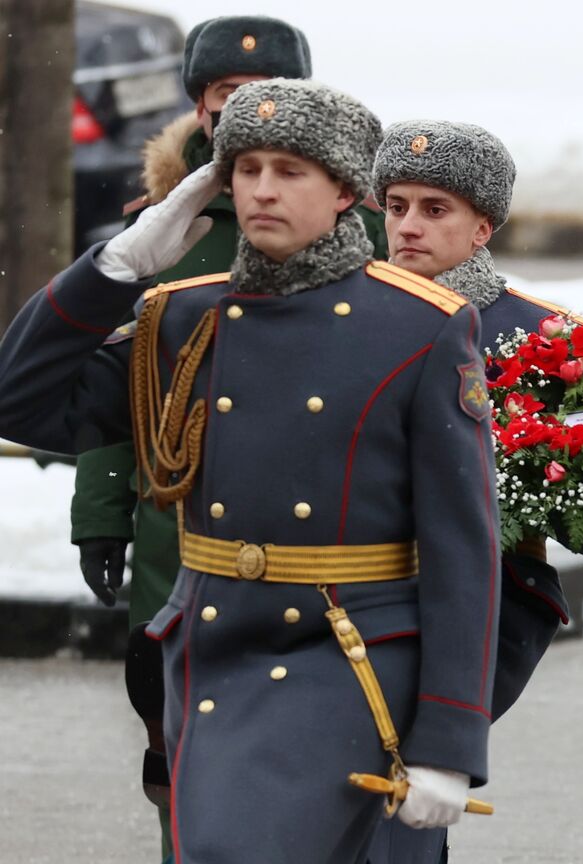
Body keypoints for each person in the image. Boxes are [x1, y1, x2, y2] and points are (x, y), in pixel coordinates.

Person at [0, 79, 498, 862]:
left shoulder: (420, 327)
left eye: (291, 170)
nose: (262, 189)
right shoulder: (184, 319)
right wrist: (116, 268)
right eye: (247, 167)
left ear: (344, 192)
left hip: (345, 655)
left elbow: (462, 549)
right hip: (212, 650)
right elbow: (20, 401)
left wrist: (449, 737)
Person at [66, 19, 388, 859]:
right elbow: (113, 394)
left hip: (323, 544)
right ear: (200, 108)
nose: (245, 112)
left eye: (266, 96)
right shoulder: (160, 234)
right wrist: (98, 512)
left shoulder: (370, 236)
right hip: (174, 527)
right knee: (174, 745)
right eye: (225, 98)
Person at [363, 119, 576, 863]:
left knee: (407, 807)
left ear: (483, 225)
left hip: (480, 603)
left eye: (435, 209)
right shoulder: (349, 312)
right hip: (351, 593)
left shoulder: (546, 336)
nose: (408, 227)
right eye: (395, 205)